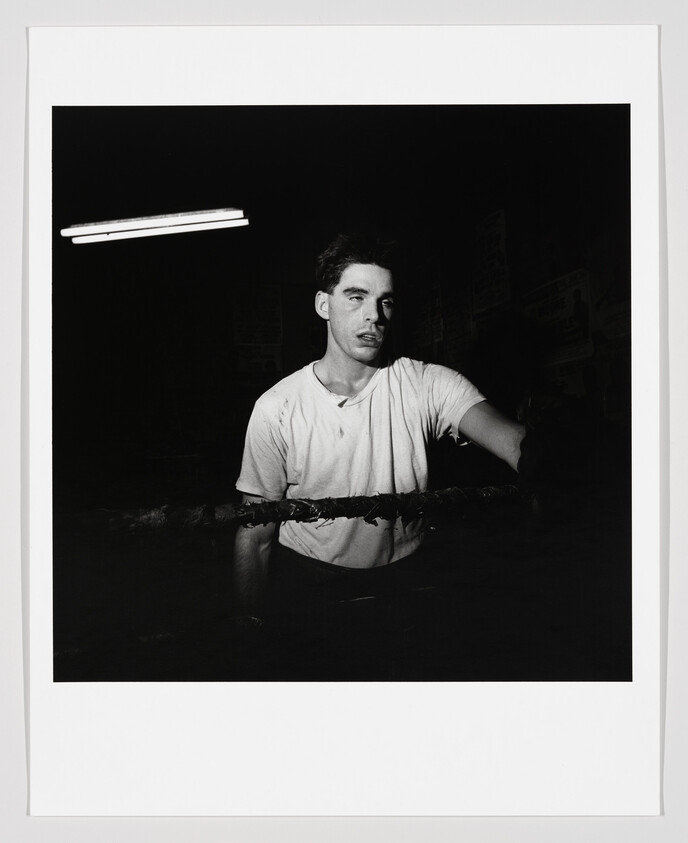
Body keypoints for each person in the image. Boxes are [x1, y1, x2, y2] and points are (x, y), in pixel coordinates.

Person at [232, 233, 526, 624]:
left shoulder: (428, 384)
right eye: (356, 297)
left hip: (408, 578)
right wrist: (248, 631)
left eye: (385, 300)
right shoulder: (277, 408)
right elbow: (255, 537)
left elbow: (514, 441)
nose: (374, 315)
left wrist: (550, 463)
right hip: (311, 580)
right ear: (324, 305)